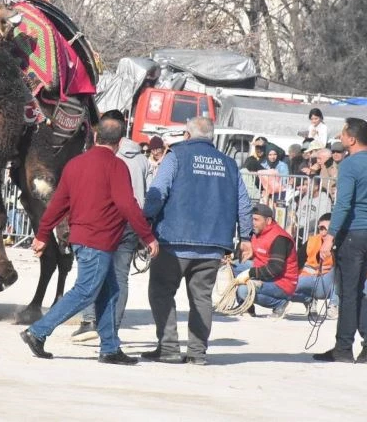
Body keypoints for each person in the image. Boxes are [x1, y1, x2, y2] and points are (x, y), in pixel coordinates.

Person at [20, 117, 159, 365]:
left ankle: (109, 347)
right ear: (118, 143)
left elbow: (58, 203)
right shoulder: (117, 167)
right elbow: (128, 205)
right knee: (85, 291)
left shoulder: (75, 165)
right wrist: (147, 237)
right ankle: (38, 331)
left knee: (110, 291)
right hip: (100, 240)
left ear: (96, 138)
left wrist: (42, 235)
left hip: (82, 239)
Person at [142, 116, 253, 365]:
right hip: (213, 245)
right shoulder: (229, 164)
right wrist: (246, 236)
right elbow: (244, 204)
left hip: (173, 240)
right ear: (211, 137)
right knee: (201, 297)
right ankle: (197, 352)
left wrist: (145, 219)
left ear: (187, 135)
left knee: (161, 292)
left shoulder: (175, 156)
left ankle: (169, 347)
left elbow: (159, 191)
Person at [73, 110, 150, 342]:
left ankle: (89, 321)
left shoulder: (101, 156)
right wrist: (145, 231)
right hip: (131, 223)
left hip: (104, 220)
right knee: (120, 278)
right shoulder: (142, 159)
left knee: (91, 272)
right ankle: (112, 327)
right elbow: (144, 193)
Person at [315, 117, 367, 363]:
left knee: (348, 291)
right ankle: (363, 344)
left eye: (343, 133)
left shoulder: (349, 165)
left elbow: (343, 204)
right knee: (353, 291)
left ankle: (348, 348)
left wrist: (329, 237)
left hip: (353, 234)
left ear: (352, 138)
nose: (340, 136)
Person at [234, 204, 299, 318]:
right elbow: (246, 255)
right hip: (266, 274)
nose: (252, 223)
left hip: (282, 283)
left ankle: (281, 304)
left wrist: (250, 274)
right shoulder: (257, 232)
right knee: (235, 265)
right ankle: (246, 308)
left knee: (243, 290)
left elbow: (275, 269)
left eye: (256, 220)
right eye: (251, 219)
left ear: (268, 220)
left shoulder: (280, 238)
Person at [291, 214, 336, 310]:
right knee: (285, 287)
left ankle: (334, 305)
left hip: (326, 284)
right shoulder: (312, 241)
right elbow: (296, 263)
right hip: (306, 279)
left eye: (326, 229)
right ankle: (308, 300)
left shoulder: (340, 244)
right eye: (321, 229)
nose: (323, 233)